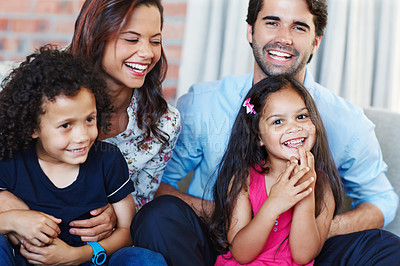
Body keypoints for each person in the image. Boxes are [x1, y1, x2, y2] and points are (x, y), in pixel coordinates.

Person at [132, 0, 400, 265]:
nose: (284, 38)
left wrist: (310, 228)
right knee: (157, 217)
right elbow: (158, 187)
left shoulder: (347, 121)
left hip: (305, 248)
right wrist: (241, 216)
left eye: (299, 27)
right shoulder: (204, 102)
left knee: (385, 247)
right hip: (223, 242)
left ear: (316, 41)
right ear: (250, 30)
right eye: (272, 22)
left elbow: (381, 201)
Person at [0, 0, 180, 246]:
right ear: (96, 36)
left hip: (91, 246)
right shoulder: (29, 84)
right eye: (131, 39)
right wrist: (7, 206)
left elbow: (141, 203)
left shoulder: (163, 123)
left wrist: (115, 216)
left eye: (156, 41)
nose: (148, 53)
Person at [0, 46, 166, 265]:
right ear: (32, 127)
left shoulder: (107, 159)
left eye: (89, 119)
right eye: (66, 125)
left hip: (89, 259)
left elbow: (127, 232)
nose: (82, 136)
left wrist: (76, 255)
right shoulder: (11, 161)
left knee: (143, 259)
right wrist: (12, 220)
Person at [210, 75, 344, 265]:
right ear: (258, 137)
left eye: (301, 116)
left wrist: (305, 190)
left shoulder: (322, 185)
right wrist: (274, 204)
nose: (294, 127)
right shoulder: (244, 179)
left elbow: (303, 255)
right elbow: (241, 253)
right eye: (278, 122)